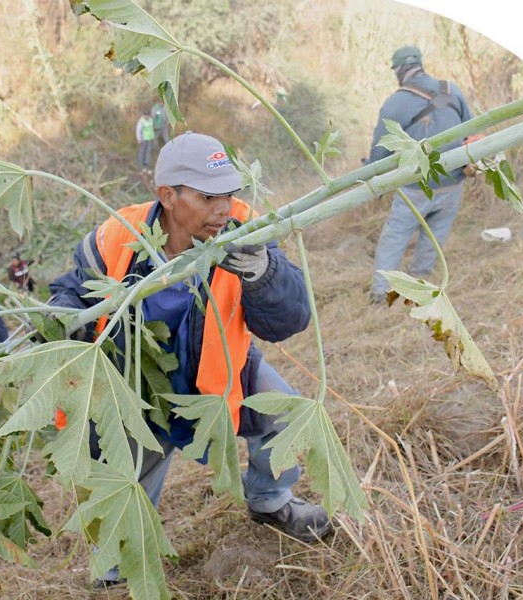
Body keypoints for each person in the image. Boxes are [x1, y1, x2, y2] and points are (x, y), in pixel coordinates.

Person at [48, 131, 332, 586]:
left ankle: (270, 499)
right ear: (168, 196)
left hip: (221, 374)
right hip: (138, 385)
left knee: (289, 412)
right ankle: (120, 564)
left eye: (229, 193)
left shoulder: (245, 229)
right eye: (207, 197)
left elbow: (290, 318)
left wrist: (264, 274)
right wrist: (66, 318)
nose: (224, 208)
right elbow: (71, 288)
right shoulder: (119, 233)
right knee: (127, 480)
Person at [366, 45, 473, 303]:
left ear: (399, 70)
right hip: (453, 183)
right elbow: (471, 130)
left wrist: (371, 181)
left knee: (395, 237)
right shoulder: (452, 90)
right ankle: (419, 285)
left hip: (416, 188)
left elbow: (380, 150)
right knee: (434, 239)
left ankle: (380, 294)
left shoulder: (395, 103)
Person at [135, 108, 155, 173]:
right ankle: (140, 165)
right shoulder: (141, 121)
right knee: (142, 152)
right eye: (145, 115)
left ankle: (146, 164)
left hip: (149, 139)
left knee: (148, 151)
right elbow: (138, 131)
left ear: (149, 115)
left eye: (148, 115)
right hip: (143, 139)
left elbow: (151, 129)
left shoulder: (151, 120)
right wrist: (139, 139)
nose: (147, 116)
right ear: (143, 115)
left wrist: (152, 137)